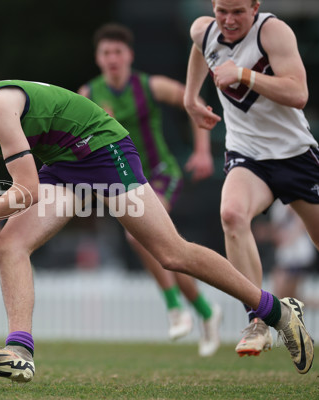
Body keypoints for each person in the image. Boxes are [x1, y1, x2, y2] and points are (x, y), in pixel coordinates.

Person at [0, 66, 314, 382]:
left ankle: (275, 310)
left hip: (101, 148)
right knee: (8, 245)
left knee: (171, 253)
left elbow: (26, 190)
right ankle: (20, 353)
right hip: (64, 163)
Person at [183, 0, 319, 358]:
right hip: (248, 156)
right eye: (221, 11)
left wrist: (243, 74)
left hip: (295, 157)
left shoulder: (272, 32)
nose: (228, 21)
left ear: (255, 7)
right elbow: (201, 48)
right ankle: (259, 319)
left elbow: (299, 93)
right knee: (231, 214)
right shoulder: (204, 29)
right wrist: (190, 97)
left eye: (237, 12)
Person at [78, 23, 221, 357]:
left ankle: (174, 307)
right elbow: (76, 140)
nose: (112, 58)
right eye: (106, 53)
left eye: (118, 52)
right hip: (123, 180)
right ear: (98, 58)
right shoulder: (88, 95)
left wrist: (202, 151)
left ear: (129, 55)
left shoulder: (149, 86)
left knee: (138, 234)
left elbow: (195, 100)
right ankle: (205, 311)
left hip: (160, 173)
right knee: (169, 253)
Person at [253, 201, 317, 299]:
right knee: (289, 296)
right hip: (287, 254)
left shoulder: (291, 200)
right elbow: (280, 230)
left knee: (283, 293)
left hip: (296, 254)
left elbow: (301, 222)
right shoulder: (277, 204)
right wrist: (268, 232)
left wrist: (289, 238)